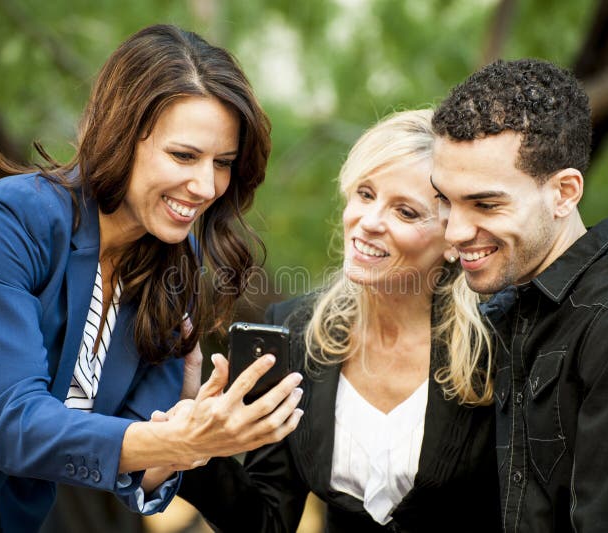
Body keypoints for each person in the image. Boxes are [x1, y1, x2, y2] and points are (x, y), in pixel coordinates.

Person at [0, 25, 304, 532]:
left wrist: (191, 424)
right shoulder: (4, 224)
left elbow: (138, 456)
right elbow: (14, 426)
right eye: (184, 156)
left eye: (223, 163)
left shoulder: (174, 260)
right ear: (120, 134)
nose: (206, 186)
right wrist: (183, 440)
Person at [174, 109, 502, 531]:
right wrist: (194, 439)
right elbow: (267, 520)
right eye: (365, 194)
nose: (367, 223)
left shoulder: (500, 343)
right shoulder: (294, 332)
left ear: (454, 237)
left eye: (404, 212)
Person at [430, 58, 608, 531]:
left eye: (485, 203)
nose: (455, 231)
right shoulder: (518, 306)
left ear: (564, 192)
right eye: (444, 198)